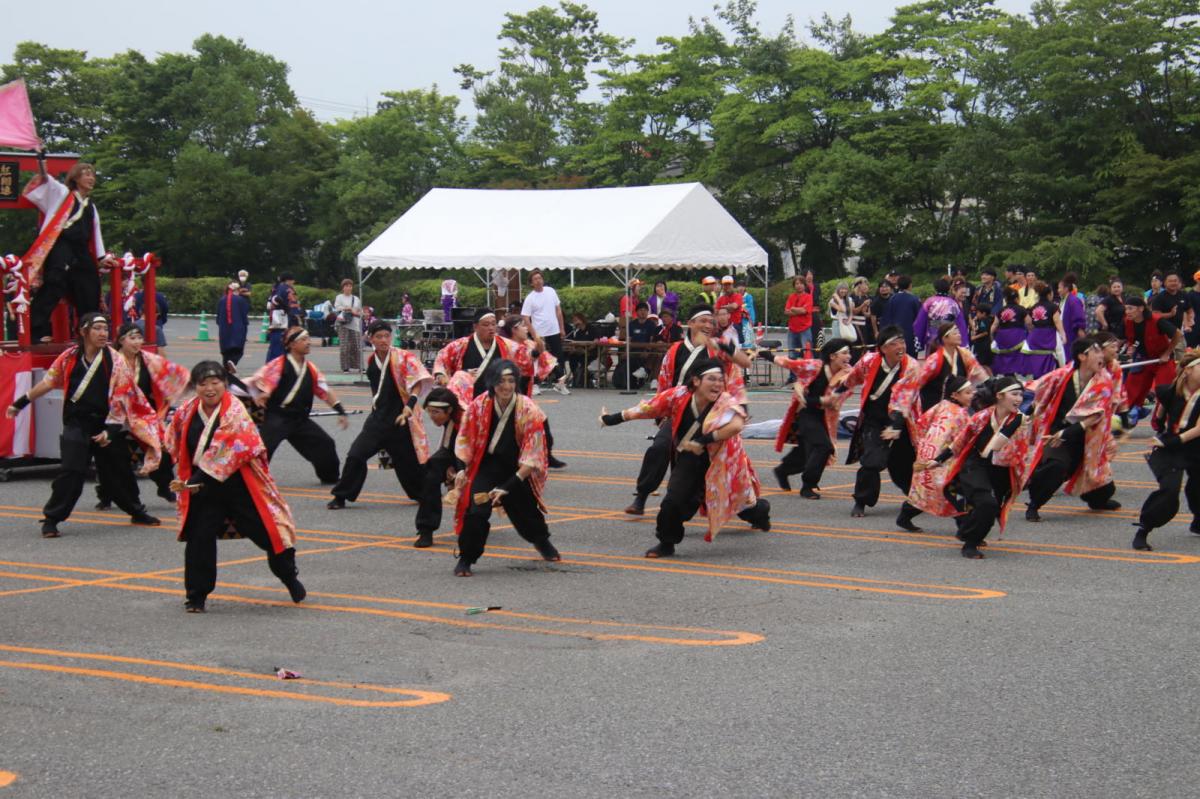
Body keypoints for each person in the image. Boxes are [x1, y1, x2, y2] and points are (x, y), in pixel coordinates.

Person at [166, 361, 306, 613]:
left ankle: (289, 577)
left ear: (225, 384)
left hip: (240, 484)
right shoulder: (186, 411)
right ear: (195, 387)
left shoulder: (235, 411)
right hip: (203, 488)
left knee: (270, 533)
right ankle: (196, 596)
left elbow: (229, 449)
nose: (210, 388)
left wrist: (194, 480)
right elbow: (173, 440)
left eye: (215, 382)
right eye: (203, 383)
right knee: (199, 539)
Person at [5, 313, 160, 537]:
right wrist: (20, 403)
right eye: (97, 328)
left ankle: (136, 511)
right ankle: (52, 518)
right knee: (72, 470)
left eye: (105, 329)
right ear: (84, 331)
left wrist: (110, 430)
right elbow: (49, 382)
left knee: (118, 472)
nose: (103, 333)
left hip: (105, 422)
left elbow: (121, 398)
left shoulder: (116, 361)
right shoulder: (69, 357)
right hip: (76, 422)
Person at [599, 358, 770, 558]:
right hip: (690, 459)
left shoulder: (725, 401)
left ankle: (761, 512)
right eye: (711, 379)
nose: (717, 384)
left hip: (722, 462)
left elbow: (736, 425)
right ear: (696, 381)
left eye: (720, 380)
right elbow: (648, 408)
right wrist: (612, 419)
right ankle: (666, 542)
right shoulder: (679, 395)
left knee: (741, 503)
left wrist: (703, 440)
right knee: (672, 502)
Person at [623, 305, 751, 515]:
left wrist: (724, 346)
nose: (708, 325)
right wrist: (661, 412)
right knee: (659, 448)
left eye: (712, 322)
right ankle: (642, 496)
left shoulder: (718, 348)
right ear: (690, 323)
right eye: (703, 321)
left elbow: (745, 362)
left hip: (709, 417)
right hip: (678, 411)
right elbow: (664, 382)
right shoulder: (675, 350)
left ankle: (749, 510)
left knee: (712, 463)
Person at [450, 359, 560, 576]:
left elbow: (533, 455)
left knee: (526, 511)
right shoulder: (478, 405)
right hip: (486, 465)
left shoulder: (529, 409)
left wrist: (507, 486)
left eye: (511, 380)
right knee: (476, 511)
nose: (507, 386)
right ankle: (466, 558)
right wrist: (461, 467)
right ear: (491, 382)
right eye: (501, 381)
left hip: (517, 468)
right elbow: (464, 439)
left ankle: (541, 541)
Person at [328, 320, 435, 514]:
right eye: (379, 337)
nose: (384, 340)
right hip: (377, 421)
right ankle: (341, 495)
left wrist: (409, 406)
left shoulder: (403, 357)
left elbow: (418, 381)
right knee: (356, 455)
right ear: (370, 339)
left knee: (409, 464)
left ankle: (424, 494)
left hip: (401, 420)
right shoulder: (371, 361)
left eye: (387, 336)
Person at [922, 376, 1031, 558]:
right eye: (1014, 394)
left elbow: (1004, 444)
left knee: (992, 508)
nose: (1019, 399)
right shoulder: (982, 417)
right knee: (986, 504)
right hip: (976, 464)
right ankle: (970, 543)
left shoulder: (1020, 420)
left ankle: (967, 530)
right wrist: (939, 459)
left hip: (1001, 468)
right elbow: (961, 440)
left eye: (1021, 394)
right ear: (1000, 396)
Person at [23, 154, 119, 342]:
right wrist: (41, 161)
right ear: (75, 178)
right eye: (86, 174)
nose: (91, 178)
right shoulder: (62, 194)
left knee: (90, 285)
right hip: (61, 244)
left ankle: (88, 331)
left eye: (92, 175)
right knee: (55, 283)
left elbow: (95, 232)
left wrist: (101, 257)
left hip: (81, 249)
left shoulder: (91, 205)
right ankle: (36, 331)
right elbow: (46, 179)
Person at [1024, 337, 1120, 522]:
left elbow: (1096, 416)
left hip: (1089, 436)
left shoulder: (1104, 381)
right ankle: (1034, 503)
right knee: (1055, 467)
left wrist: (1067, 432)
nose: (1102, 356)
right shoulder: (1061, 376)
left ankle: (1096, 500)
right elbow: (1040, 393)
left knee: (1104, 488)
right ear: (1082, 356)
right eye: (1097, 352)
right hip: (1058, 434)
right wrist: (1029, 413)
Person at [101, 323, 189, 505]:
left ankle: (164, 485)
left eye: (139, 338)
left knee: (163, 448)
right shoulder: (111, 361)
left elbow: (173, 374)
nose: (137, 342)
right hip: (115, 414)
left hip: (142, 414)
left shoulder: (149, 360)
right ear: (121, 340)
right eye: (132, 338)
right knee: (113, 457)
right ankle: (107, 493)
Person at [840, 325, 921, 519]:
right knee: (871, 461)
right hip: (873, 420)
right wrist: (836, 394)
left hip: (901, 420)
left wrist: (895, 426)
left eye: (902, 342)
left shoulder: (912, 366)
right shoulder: (869, 360)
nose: (900, 346)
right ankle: (861, 500)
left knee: (904, 464)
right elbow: (853, 378)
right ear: (883, 348)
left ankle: (917, 497)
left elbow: (905, 398)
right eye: (894, 343)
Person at [250, 327, 349, 484]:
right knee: (262, 450)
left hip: (300, 419)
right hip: (278, 417)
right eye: (304, 339)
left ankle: (330, 477)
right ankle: (249, 480)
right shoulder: (278, 364)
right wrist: (265, 392)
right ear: (291, 344)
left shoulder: (311, 368)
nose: (308, 342)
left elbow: (324, 391)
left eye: (308, 338)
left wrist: (340, 411)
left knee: (325, 443)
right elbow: (264, 381)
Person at [761, 338, 853, 498]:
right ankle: (808, 486)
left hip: (825, 416)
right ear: (832, 356)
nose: (849, 356)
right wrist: (762, 353)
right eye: (844, 353)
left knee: (806, 452)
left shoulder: (847, 375)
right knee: (823, 447)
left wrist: (827, 401)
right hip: (805, 413)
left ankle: (783, 470)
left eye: (849, 353)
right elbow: (789, 363)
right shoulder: (815, 366)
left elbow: (836, 401)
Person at [1131, 352, 1200, 551]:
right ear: (1188, 371)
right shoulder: (1168, 392)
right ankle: (1144, 529)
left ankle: (1198, 521)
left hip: (1193, 445)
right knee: (1169, 491)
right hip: (1170, 448)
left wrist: (1172, 440)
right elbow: (1159, 418)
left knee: (1197, 489)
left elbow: (1197, 429)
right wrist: (1161, 434)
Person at [897, 375, 976, 533]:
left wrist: (924, 443)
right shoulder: (961, 414)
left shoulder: (942, 405)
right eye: (967, 392)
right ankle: (966, 528)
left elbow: (922, 422)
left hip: (927, 452)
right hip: (942, 458)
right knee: (948, 491)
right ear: (954, 395)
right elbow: (963, 440)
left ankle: (905, 516)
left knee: (926, 491)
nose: (972, 395)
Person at [501, 313, 566, 468]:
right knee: (514, 427)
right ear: (514, 329)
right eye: (523, 326)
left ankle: (546, 454)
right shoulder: (506, 345)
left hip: (525, 390)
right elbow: (527, 357)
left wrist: (558, 374)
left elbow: (544, 358)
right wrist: (537, 351)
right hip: (509, 391)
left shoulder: (529, 343)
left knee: (540, 421)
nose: (526, 328)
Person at [433, 308, 531, 398]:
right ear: (475, 327)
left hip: (497, 398)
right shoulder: (461, 345)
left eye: (493, 324)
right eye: (486, 325)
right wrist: (441, 375)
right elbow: (442, 359)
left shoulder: (507, 345)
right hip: (469, 398)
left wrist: (536, 353)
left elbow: (525, 360)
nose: (491, 328)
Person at [412, 387, 465, 548]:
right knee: (430, 473)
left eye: (436, 412)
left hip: (476, 454)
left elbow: (467, 449)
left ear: (449, 410)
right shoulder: (451, 416)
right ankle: (426, 529)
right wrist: (449, 465)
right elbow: (449, 447)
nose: (432, 416)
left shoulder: (466, 420)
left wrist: (458, 468)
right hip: (454, 450)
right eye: (430, 412)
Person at [1121, 296, 1180, 413]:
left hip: (1162, 360)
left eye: (1130, 309)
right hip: (1142, 359)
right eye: (1126, 309)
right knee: (1131, 390)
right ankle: (1127, 416)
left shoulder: (1156, 320)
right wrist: (1131, 347)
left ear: (1141, 308)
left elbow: (1178, 334)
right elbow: (1131, 339)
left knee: (1164, 391)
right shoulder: (1127, 322)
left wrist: (1167, 353)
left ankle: (1161, 422)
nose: (1127, 312)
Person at [915, 322, 988, 413]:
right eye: (955, 333)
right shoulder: (935, 359)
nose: (959, 335)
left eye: (959, 333)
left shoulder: (965, 354)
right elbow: (919, 382)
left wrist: (989, 382)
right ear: (945, 338)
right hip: (935, 405)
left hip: (958, 405)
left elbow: (978, 371)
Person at [520, 269, 569, 393]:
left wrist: (562, 328)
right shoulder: (530, 298)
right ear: (531, 283)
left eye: (539, 278)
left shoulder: (551, 291)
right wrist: (533, 333)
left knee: (559, 357)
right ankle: (535, 384)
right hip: (539, 332)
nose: (538, 281)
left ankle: (560, 382)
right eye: (535, 279)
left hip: (554, 330)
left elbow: (558, 310)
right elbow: (525, 317)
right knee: (537, 358)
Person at [913, 278, 969, 356]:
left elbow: (920, 322)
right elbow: (961, 325)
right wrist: (964, 345)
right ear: (949, 289)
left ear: (935, 288)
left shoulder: (929, 302)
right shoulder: (953, 303)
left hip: (932, 339)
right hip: (948, 337)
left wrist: (920, 346)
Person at [1022, 282, 1066, 379]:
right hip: (1049, 334)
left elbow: (1029, 323)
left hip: (1035, 335)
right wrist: (1063, 334)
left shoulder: (1034, 307)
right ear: (1049, 294)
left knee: (1036, 358)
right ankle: (1063, 373)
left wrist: (1032, 331)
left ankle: (1036, 380)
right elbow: (1057, 322)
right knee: (1058, 354)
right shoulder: (1053, 307)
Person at [616, 302, 661, 390]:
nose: (643, 312)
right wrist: (626, 352)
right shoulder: (632, 324)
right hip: (633, 350)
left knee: (656, 355)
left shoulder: (651, 325)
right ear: (636, 312)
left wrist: (647, 351)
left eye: (645, 310)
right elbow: (628, 340)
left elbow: (652, 340)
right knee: (623, 357)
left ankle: (645, 372)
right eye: (641, 310)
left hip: (646, 351)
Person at [1151, 270, 1192, 359]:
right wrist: (1170, 314)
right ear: (1164, 283)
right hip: (1164, 336)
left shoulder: (1183, 295)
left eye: (1175, 280)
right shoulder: (1159, 298)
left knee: (1182, 362)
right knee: (1167, 361)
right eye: (1170, 281)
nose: (1173, 283)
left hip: (1179, 334)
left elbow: (1189, 310)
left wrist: (1190, 320)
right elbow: (1154, 316)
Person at [990, 288, 1028, 376]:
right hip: (1017, 335)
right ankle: (1014, 374)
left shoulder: (1000, 310)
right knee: (1016, 356)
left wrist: (992, 338)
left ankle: (1007, 375)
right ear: (1016, 299)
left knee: (1004, 357)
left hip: (1002, 336)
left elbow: (994, 325)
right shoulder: (1021, 309)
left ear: (1006, 299)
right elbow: (1029, 323)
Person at [882, 275, 921, 357]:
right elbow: (919, 318)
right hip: (910, 334)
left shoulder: (892, 299)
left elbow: (886, 318)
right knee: (910, 359)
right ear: (910, 285)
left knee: (896, 357)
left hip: (894, 334)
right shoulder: (914, 299)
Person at [216, 281, 250, 368]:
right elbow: (244, 317)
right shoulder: (241, 300)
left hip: (224, 331)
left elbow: (218, 319)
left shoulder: (222, 300)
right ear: (238, 290)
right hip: (238, 330)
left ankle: (227, 370)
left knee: (226, 353)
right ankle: (232, 363)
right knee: (237, 351)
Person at [333, 279, 363, 373]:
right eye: (346, 286)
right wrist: (348, 308)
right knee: (344, 346)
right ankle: (345, 367)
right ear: (343, 287)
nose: (348, 288)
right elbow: (337, 308)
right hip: (343, 324)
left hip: (354, 323)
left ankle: (359, 366)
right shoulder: (339, 297)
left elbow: (359, 311)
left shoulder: (356, 298)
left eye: (350, 286)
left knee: (357, 346)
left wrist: (358, 312)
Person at [784, 276, 814, 364]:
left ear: (804, 285)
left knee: (807, 354)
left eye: (801, 283)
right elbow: (786, 311)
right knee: (792, 354)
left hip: (805, 329)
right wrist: (798, 310)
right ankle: (792, 377)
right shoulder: (791, 297)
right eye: (797, 284)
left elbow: (805, 310)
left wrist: (793, 309)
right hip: (792, 329)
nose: (799, 285)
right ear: (794, 286)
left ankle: (809, 376)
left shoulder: (808, 297)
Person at [132, 283, 168, 348]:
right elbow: (165, 309)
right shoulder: (160, 296)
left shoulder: (136, 296)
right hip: (156, 322)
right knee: (157, 345)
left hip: (137, 319)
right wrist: (162, 320)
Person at [564, 312, 594, 388]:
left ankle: (583, 377)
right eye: (573, 321)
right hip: (579, 352)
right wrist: (573, 349)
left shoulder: (591, 328)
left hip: (590, 352)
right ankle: (576, 375)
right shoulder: (578, 333)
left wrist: (587, 350)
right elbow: (575, 344)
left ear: (582, 320)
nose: (575, 322)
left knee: (581, 358)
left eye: (576, 320)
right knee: (572, 356)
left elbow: (595, 342)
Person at [715, 276, 746, 341]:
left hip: (735, 326)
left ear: (732, 285)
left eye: (729, 284)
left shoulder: (738, 296)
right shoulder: (720, 299)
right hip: (723, 327)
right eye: (725, 285)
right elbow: (716, 311)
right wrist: (728, 308)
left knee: (737, 348)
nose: (727, 287)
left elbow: (734, 306)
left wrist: (723, 308)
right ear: (723, 286)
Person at [970, 301, 995, 370]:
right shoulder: (986, 320)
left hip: (983, 345)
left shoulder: (983, 321)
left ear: (983, 313)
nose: (976, 314)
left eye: (977, 312)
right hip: (984, 345)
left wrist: (974, 337)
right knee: (984, 365)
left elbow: (985, 332)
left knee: (982, 364)